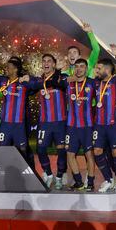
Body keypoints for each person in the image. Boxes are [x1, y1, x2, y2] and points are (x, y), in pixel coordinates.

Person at [93, 44, 116, 193]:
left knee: (115, 153)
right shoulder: (95, 83)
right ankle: (108, 179)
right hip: (99, 125)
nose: (97, 71)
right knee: (98, 151)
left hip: (114, 124)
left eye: (99, 68)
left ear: (107, 69)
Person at [33, 54, 68, 190]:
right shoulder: (38, 81)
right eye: (44, 61)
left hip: (60, 122)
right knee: (40, 149)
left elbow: (64, 84)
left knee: (61, 151)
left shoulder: (62, 77)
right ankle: (48, 174)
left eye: (49, 61)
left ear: (54, 64)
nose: (46, 63)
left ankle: (59, 177)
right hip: (44, 122)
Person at [63, 59, 96, 191]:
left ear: (86, 68)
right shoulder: (68, 83)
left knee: (89, 154)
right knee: (70, 154)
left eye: (82, 66)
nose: (79, 69)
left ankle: (91, 183)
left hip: (87, 126)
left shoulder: (92, 83)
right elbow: (53, 81)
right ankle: (78, 182)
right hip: (71, 126)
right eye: (76, 67)